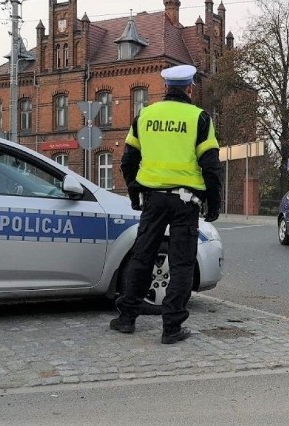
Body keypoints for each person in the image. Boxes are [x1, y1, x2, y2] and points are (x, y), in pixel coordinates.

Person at [111, 64, 222, 344]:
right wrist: (213, 202)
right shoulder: (200, 118)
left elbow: (128, 160)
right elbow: (210, 166)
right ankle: (172, 327)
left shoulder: (145, 115)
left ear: (166, 89)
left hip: (153, 199)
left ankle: (126, 318)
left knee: (142, 256)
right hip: (187, 200)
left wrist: (135, 191)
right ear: (190, 88)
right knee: (182, 263)